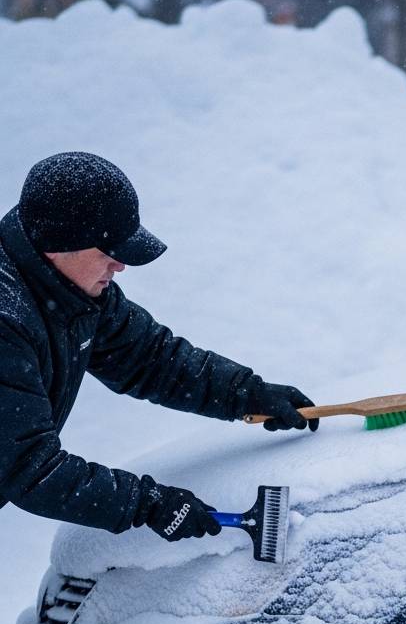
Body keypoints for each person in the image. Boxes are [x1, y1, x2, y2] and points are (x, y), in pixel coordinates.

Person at [0, 152, 318, 544]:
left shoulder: (71, 292)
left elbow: (151, 359)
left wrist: (246, 394)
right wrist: (146, 504)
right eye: (108, 253)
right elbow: (29, 468)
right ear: (58, 245)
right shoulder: (7, 319)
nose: (120, 267)